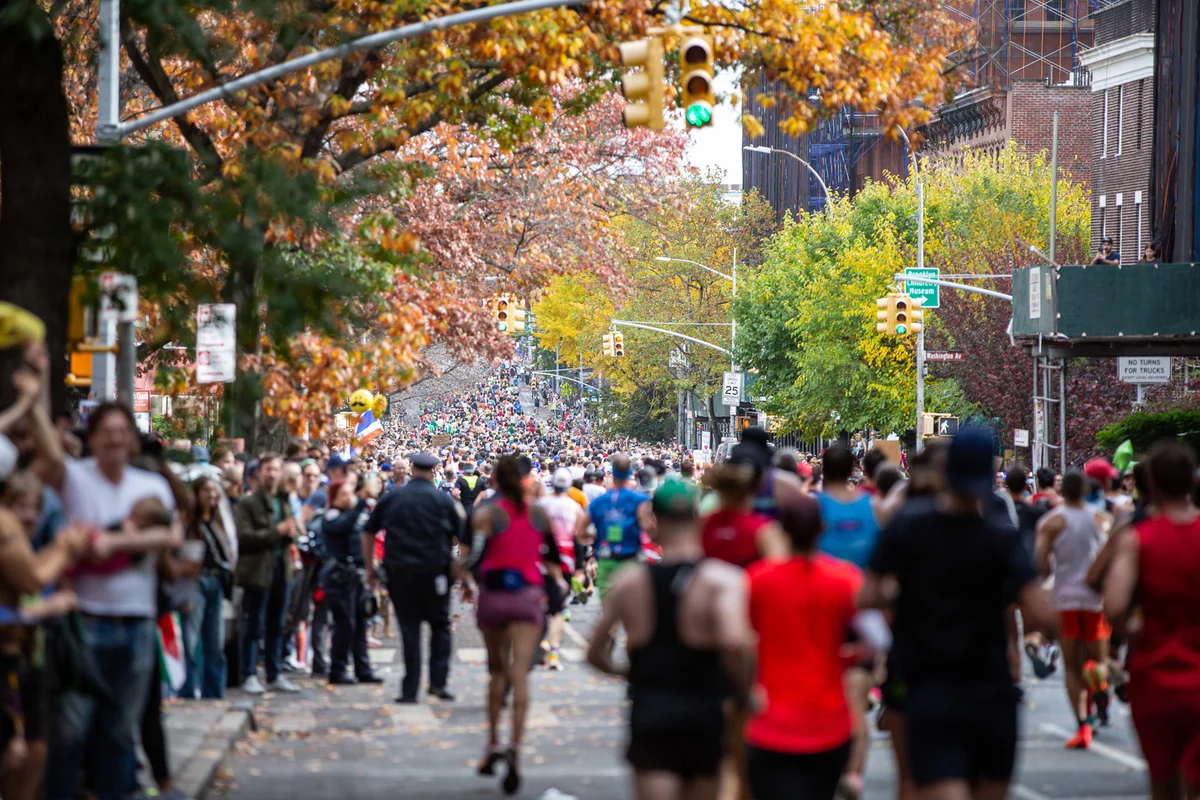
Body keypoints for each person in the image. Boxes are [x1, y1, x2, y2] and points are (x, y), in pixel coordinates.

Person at [860, 427, 1054, 800]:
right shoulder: (1000, 538)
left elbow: (869, 595)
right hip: (989, 690)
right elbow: (1041, 612)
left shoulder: (908, 526)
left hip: (928, 686)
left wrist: (906, 596)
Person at [37, 401, 184, 800]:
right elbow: (50, 454)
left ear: (133, 440)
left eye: (123, 431)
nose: (115, 438)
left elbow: (169, 538)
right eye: (107, 431)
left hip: (136, 623)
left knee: (121, 732)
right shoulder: (74, 477)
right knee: (71, 729)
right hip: (83, 623)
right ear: (93, 437)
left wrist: (113, 541)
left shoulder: (150, 486)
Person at [587, 480, 754, 800]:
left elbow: (595, 652)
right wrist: (743, 692)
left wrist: (627, 671)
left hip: (652, 711)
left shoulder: (629, 582)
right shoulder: (723, 581)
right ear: (698, 517)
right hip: (705, 712)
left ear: (653, 524)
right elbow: (738, 643)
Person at [745, 490, 861, 800]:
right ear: (822, 529)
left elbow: (741, 639)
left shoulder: (758, 580)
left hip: (768, 721)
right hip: (830, 723)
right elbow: (873, 640)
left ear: (782, 530)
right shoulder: (846, 580)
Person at [1103, 441, 1200, 800]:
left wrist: (1132, 628)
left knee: (1162, 783)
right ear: (1191, 482)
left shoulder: (1136, 540)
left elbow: (1113, 607)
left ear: (1152, 485)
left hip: (1154, 675)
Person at [464, 456, 566, 795]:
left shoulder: (486, 514)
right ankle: (516, 746)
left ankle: (492, 742)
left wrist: (462, 577)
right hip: (527, 596)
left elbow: (474, 558)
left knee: (497, 673)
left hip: (494, 596)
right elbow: (553, 558)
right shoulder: (538, 513)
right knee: (519, 675)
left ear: (494, 480)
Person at [364, 451, 463, 703]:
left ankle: (410, 689)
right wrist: (460, 569)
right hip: (435, 573)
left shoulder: (393, 497)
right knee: (440, 626)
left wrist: (370, 569)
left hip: (401, 573)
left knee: (409, 630)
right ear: (432, 472)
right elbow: (461, 536)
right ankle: (438, 683)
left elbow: (369, 531)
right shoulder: (442, 500)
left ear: (411, 468)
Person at [1034, 470, 1111, 747]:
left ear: (1062, 492)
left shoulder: (1051, 522)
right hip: (1095, 600)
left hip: (1064, 599)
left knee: (1071, 666)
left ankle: (1082, 724)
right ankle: (1101, 687)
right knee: (1096, 660)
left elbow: (1040, 563)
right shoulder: (1102, 520)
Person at [234, 452, 300, 694]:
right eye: (268, 469)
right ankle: (249, 673)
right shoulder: (247, 503)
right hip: (257, 572)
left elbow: (287, 532)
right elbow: (244, 537)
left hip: (281, 570)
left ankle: (274, 674)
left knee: (277, 623)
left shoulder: (283, 500)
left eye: (276, 469)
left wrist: (291, 533)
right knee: (254, 624)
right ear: (260, 473)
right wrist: (278, 531)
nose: (272, 474)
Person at [321, 473, 381, 686]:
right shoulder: (331, 516)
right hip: (338, 578)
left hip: (356, 577)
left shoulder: (354, 515)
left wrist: (371, 570)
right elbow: (344, 526)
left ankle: (362, 669)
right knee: (345, 624)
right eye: (344, 494)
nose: (349, 498)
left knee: (360, 623)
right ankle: (337, 670)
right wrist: (361, 502)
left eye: (350, 493)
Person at [181, 476, 234, 699]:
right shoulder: (187, 523)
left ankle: (214, 694)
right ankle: (188, 693)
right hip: (195, 583)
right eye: (206, 491)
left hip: (216, 583)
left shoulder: (218, 520)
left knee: (215, 644)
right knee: (190, 642)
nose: (212, 495)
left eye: (214, 491)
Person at [577, 453, 651, 596]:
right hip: (631, 561)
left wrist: (598, 533)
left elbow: (580, 531)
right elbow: (649, 528)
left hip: (606, 559)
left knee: (608, 608)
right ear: (630, 473)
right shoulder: (640, 500)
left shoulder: (599, 502)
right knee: (632, 610)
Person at [537, 467, 585, 670]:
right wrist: (581, 568)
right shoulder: (574, 506)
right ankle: (554, 652)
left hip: (541, 559)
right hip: (566, 560)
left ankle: (540, 644)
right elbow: (580, 536)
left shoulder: (540, 505)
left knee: (539, 605)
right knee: (558, 609)